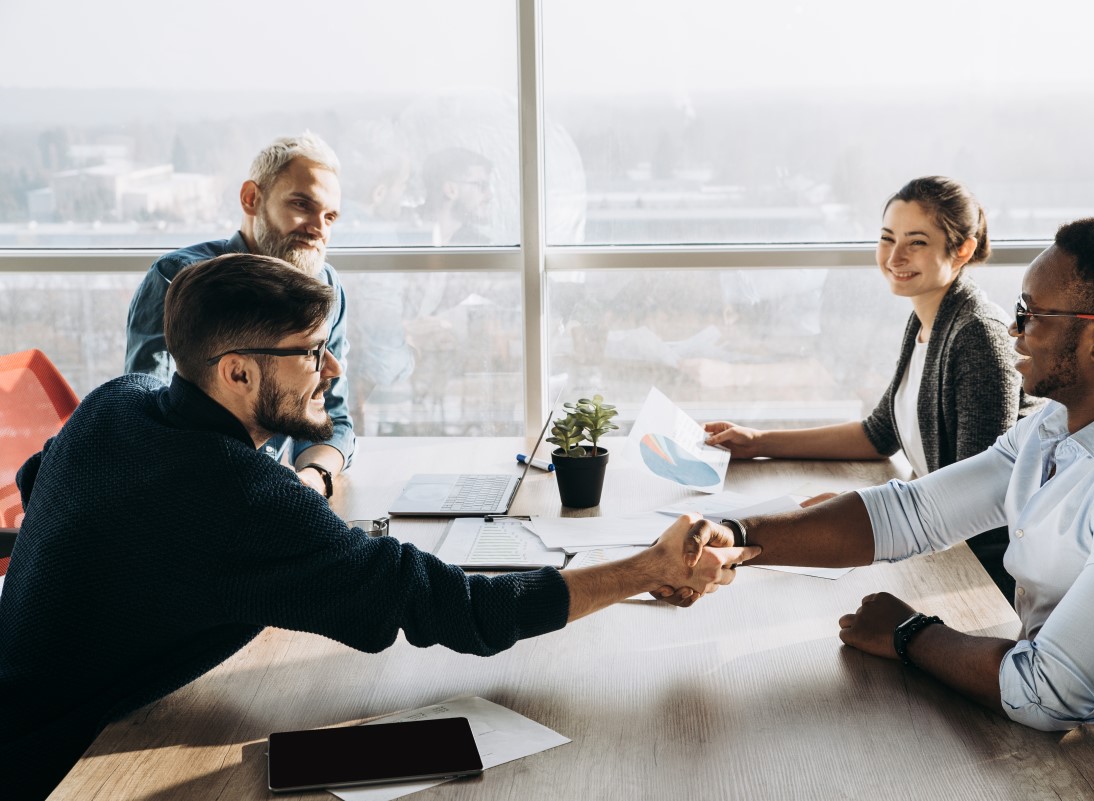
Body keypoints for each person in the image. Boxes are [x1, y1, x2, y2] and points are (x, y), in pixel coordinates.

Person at [0, 252, 757, 801]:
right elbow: (458, 610)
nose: (329, 371)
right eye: (309, 352)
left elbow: (40, 483)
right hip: (55, 763)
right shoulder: (241, 495)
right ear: (235, 371)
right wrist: (644, 568)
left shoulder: (119, 400)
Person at [684, 215, 1094, 771]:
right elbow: (911, 513)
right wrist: (735, 537)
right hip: (1027, 723)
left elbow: (1048, 694)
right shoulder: (1054, 426)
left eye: (1031, 314)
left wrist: (910, 634)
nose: (1013, 330)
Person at [705, 176, 1030, 601]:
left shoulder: (977, 335)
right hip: (934, 542)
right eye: (887, 238)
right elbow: (879, 435)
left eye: (916, 242)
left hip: (980, 571)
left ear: (963, 249)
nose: (895, 256)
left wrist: (856, 506)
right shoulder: (926, 317)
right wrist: (758, 441)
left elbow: (975, 496)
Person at [125, 131, 374, 499]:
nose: (319, 229)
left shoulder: (325, 285)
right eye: (302, 205)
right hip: (198, 492)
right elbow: (153, 415)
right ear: (251, 198)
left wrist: (313, 476)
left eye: (330, 216)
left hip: (275, 492)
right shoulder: (180, 279)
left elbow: (331, 413)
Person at [421, 146, 494, 246]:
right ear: (450, 190)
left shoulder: (479, 246)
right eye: (482, 185)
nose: (490, 195)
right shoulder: (401, 235)